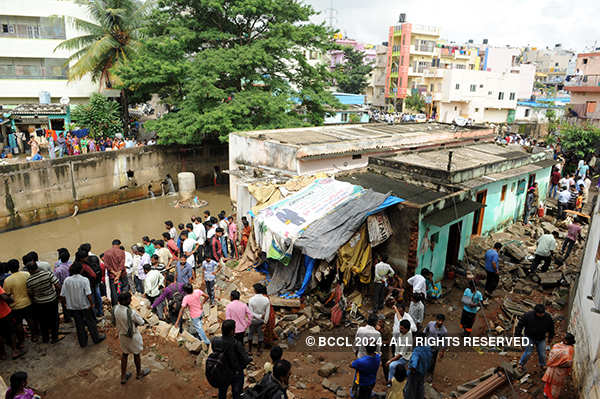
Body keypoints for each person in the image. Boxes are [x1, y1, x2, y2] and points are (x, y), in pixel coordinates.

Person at [60, 262, 105, 347]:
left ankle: (83, 342)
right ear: (81, 270)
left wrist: (65, 304)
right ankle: (96, 338)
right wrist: (92, 304)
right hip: (85, 306)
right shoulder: (84, 280)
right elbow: (88, 294)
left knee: (79, 324)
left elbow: (62, 295)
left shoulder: (67, 280)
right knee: (91, 323)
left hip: (73, 307)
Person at [114, 292, 150, 384]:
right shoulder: (131, 312)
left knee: (125, 354)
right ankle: (139, 373)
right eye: (129, 299)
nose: (131, 300)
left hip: (122, 335)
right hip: (132, 336)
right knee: (136, 354)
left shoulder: (115, 309)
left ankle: (123, 376)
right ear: (125, 301)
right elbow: (141, 322)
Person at [211, 319, 251, 399]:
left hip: (221, 371)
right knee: (237, 393)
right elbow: (246, 359)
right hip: (235, 373)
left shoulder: (215, 341)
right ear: (232, 331)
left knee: (222, 392)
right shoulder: (236, 344)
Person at [4, 259, 38, 346]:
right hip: (28, 302)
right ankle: (34, 336)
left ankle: (22, 341)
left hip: (15, 306)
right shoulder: (26, 274)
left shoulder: (7, 280)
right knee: (30, 320)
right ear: (18, 266)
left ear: (9, 268)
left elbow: (7, 295)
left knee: (18, 324)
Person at [25, 260, 60, 344]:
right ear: (37, 267)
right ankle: (54, 337)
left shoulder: (29, 281)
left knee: (42, 321)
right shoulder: (47, 274)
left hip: (39, 303)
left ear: (29, 270)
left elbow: (30, 294)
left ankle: (45, 338)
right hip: (52, 300)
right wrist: (57, 296)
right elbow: (57, 285)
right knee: (54, 319)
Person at [517, 304, 555, 372]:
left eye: (543, 313)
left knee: (542, 354)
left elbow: (551, 328)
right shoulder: (528, 315)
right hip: (529, 337)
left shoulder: (547, 317)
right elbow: (520, 325)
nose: (542, 315)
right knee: (528, 353)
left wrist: (550, 337)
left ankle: (542, 364)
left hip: (541, 338)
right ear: (535, 312)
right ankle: (521, 364)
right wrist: (517, 335)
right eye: (540, 313)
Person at [542, 333, 575, 399]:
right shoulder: (562, 346)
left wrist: (556, 362)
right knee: (549, 383)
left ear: (566, 341)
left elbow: (568, 362)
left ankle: (551, 397)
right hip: (556, 369)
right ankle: (546, 394)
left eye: (564, 337)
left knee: (555, 387)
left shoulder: (569, 349)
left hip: (558, 371)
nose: (562, 337)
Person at [403, 334, 432, 399]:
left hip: (415, 374)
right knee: (420, 389)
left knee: (410, 392)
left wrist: (410, 370)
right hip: (423, 373)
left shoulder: (417, 351)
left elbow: (414, 364)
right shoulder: (428, 348)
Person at [103, 239, 129, 309]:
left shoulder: (106, 253)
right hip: (122, 274)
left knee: (113, 291)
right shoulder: (121, 252)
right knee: (125, 288)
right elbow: (122, 264)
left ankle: (115, 307)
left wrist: (114, 273)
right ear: (119, 245)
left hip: (112, 275)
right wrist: (118, 275)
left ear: (112, 244)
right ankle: (125, 304)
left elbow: (106, 265)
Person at [0, 284, 23, 360]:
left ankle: (3, 354)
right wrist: (11, 300)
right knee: (11, 332)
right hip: (4, 313)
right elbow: (4, 297)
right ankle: (15, 351)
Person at [387, 319, 412, 384]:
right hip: (398, 353)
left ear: (407, 329)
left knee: (392, 365)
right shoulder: (404, 331)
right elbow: (400, 318)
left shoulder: (408, 340)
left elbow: (401, 355)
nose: (400, 330)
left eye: (402, 328)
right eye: (400, 328)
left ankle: (390, 381)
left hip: (404, 358)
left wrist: (390, 360)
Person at [248, 283, 270, 354]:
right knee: (260, 336)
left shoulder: (251, 300)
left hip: (253, 321)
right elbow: (267, 313)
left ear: (255, 290)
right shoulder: (266, 300)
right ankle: (258, 350)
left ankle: (249, 350)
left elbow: (250, 313)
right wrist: (265, 321)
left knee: (250, 334)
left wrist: (256, 316)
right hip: (261, 321)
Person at [423, 314, 447, 379]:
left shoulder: (444, 331)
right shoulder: (430, 324)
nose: (440, 322)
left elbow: (444, 342)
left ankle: (430, 374)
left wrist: (442, 352)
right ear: (436, 319)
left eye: (442, 321)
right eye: (439, 320)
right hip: (427, 344)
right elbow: (426, 330)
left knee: (432, 361)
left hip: (435, 348)